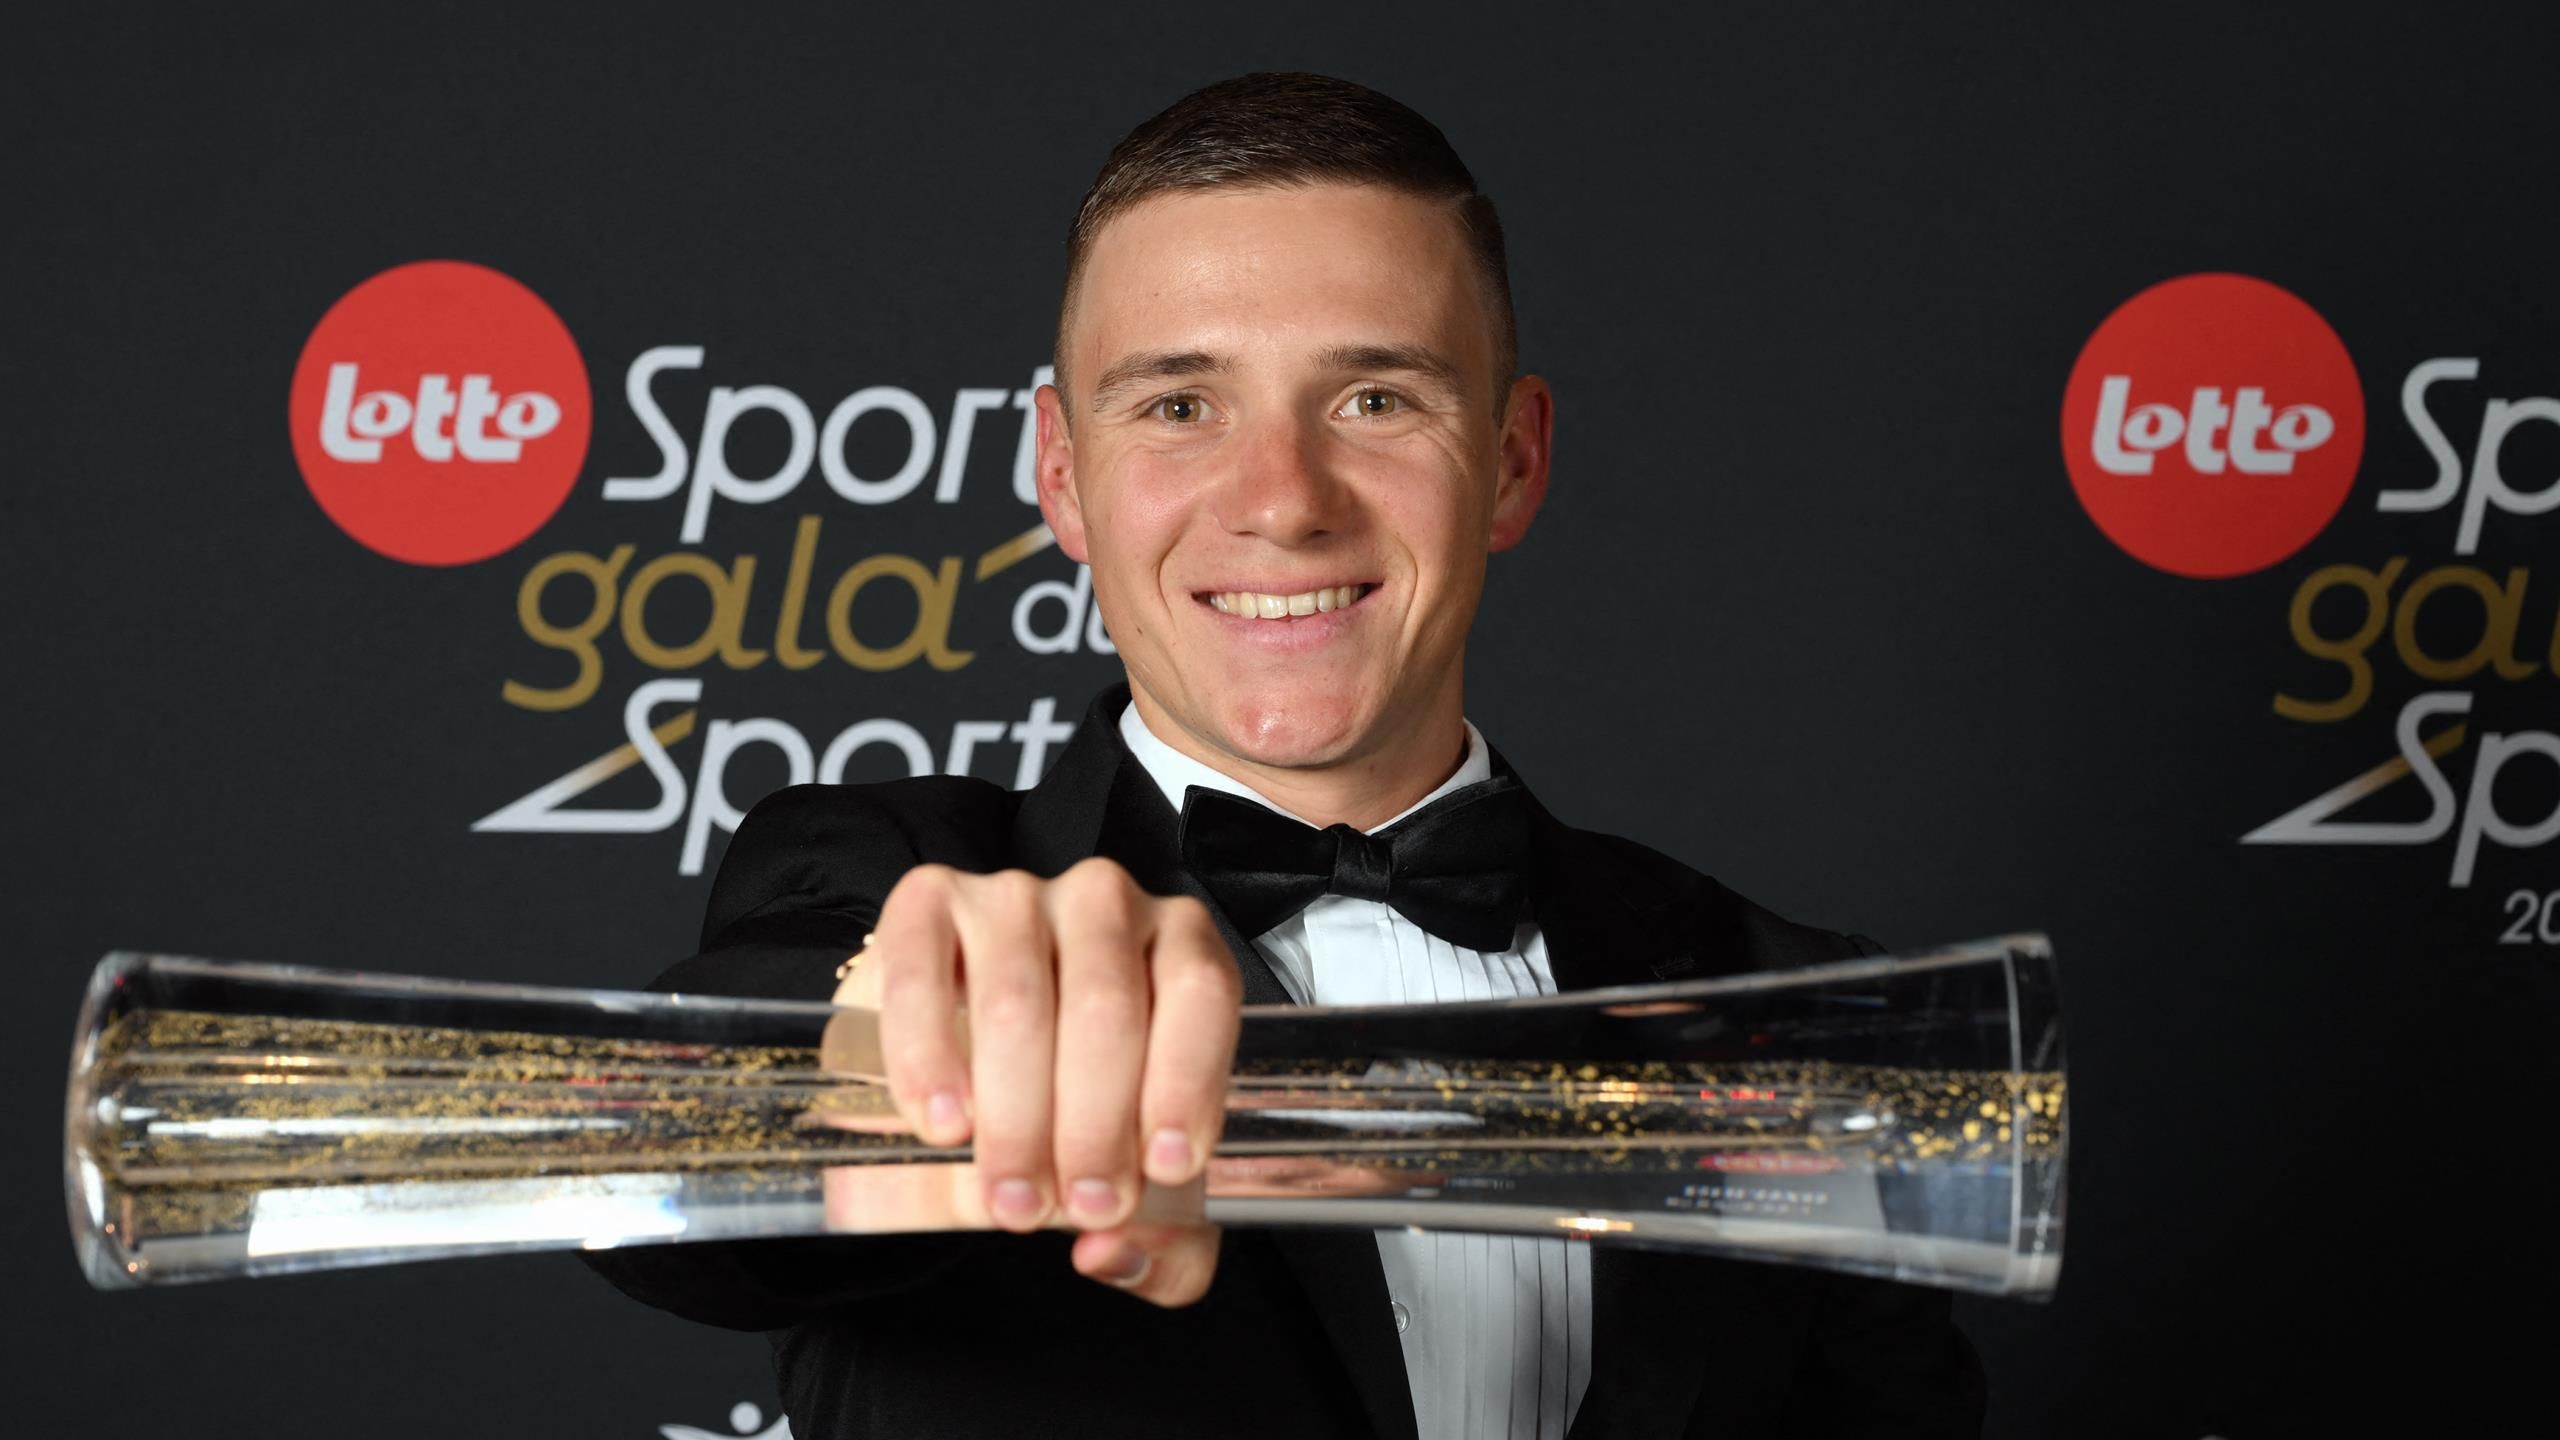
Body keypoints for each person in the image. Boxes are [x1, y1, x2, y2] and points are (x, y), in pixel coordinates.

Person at [584, 71, 1985, 1440]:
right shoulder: (884, 873)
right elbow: (666, 1155)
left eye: (1375, 400)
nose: (1283, 501)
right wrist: (913, 1030)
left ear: (1511, 461)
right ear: (1063, 476)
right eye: (1179, 406)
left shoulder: (1800, 1014)